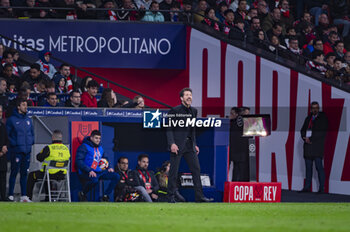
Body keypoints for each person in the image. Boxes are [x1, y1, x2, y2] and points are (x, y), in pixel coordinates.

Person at [166, 87, 213, 203]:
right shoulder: (174, 110)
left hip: (189, 145)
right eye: (186, 95)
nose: (189, 97)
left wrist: (195, 144)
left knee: (196, 169)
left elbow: (192, 130)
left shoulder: (194, 111)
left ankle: (199, 197)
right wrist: (172, 143)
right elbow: (169, 128)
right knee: (174, 171)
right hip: (177, 146)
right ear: (182, 98)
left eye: (190, 95)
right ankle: (170, 197)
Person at [76, 130, 119, 202]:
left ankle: (105, 196)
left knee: (116, 176)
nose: (98, 140)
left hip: (99, 171)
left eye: (99, 138)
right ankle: (82, 193)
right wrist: (89, 170)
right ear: (91, 138)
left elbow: (105, 158)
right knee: (95, 180)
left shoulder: (100, 148)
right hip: (86, 172)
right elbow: (79, 161)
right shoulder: (84, 147)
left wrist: (109, 167)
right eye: (96, 138)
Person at [27, 130, 70, 201]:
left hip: (49, 174)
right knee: (46, 175)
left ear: (53, 137)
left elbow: (39, 158)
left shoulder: (49, 148)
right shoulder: (66, 149)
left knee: (32, 175)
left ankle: (28, 198)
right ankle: (48, 198)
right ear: (61, 138)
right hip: (62, 175)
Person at [6, 99, 34, 202]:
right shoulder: (11, 120)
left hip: (27, 151)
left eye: (26, 105)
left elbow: (32, 133)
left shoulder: (28, 120)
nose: (26, 107)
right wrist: (15, 144)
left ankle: (24, 196)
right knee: (14, 173)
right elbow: (8, 135)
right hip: (16, 151)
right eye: (23, 105)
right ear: (18, 107)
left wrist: (31, 142)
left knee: (24, 174)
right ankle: (10, 195)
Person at [300, 101, 328, 193]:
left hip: (317, 147)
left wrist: (311, 138)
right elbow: (302, 130)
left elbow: (322, 132)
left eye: (316, 107)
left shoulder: (323, 118)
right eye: (313, 108)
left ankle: (321, 188)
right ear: (311, 109)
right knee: (308, 168)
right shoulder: (308, 118)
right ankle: (307, 187)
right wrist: (305, 138)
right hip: (308, 147)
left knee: (319, 167)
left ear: (318, 108)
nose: (315, 109)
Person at [229, 107, 250, 181]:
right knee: (237, 170)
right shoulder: (235, 122)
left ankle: (236, 186)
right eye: (246, 113)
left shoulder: (245, 123)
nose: (247, 115)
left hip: (241, 151)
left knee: (238, 171)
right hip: (235, 150)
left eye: (248, 113)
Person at [0, 105, 9, 201]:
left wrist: (5, 147)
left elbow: (7, 139)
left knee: (3, 177)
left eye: (1, 111)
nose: (0, 114)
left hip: (3, 155)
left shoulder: (2, 125)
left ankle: (3, 196)